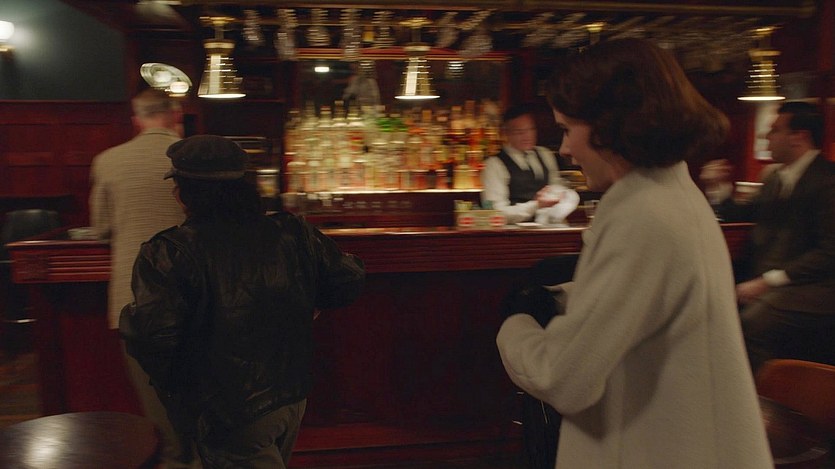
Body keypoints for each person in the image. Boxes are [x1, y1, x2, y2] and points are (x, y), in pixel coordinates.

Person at [496, 38, 772, 468]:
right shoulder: (674, 192)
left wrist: (514, 325)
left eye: (568, 129)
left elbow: (563, 376)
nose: (564, 149)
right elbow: (647, 301)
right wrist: (565, 296)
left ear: (609, 126)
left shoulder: (640, 214)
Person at [120, 135, 366, 468]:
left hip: (230, 411)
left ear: (183, 194)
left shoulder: (169, 251)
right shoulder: (292, 231)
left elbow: (154, 339)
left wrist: (189, 398)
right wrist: (308, 301)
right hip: (291, 396)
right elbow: (347, 280)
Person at [88, 88, 197, 468]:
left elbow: (101, 228)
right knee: (205, 388)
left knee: (156, 399)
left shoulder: (107, 161)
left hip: (133, 297)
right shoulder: (195, 157)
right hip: (195, 291)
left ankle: (175, 460)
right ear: (176, 115)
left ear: (136, 120)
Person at [701, 101, 835, 373]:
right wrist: (718, 188)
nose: (766, 136)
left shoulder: (827, 180)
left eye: (775, 130)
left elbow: (829, 252)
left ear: (799, 137)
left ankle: (761, 395)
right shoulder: (775, 178)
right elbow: (741, 213)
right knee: (708, 302)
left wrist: (767, 281)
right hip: (774, 281)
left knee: (753, 321)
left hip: (816, 286)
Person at [480, 105, 570, 225]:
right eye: (519, 132)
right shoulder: (494, 164)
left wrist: (558, 196)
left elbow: (557, 187)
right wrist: (536, 205)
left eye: (531, 129)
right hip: (513, 233)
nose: (527, 135)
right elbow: (496, 213)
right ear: (506, 133)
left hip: (548, 227)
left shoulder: (545, 154)